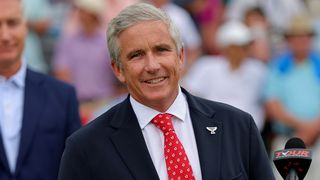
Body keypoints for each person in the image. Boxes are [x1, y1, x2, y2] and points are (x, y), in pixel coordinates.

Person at [58, 3, 275, 180]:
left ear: (181, 57)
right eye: (136, 55)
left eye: (161, 50)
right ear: (117, 69)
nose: (152, 65)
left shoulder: (238, 127)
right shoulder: (85, 147)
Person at [0, 0, 81, 179]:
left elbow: (77, 167)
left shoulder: (62, 97)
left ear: (25, 27)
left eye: (12, 23)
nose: (5, 35)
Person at [182, 20, 267, 131]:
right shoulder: (207, 66)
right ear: (226, 48)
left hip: (248, 131)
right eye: (237, 47)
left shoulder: (258, 70)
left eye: (244, 46)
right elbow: (188, 93)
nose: (242, 51)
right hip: (212, 129)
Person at [264, 13, 320, 180]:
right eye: (296, 38)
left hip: (317, 138)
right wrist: (304, 127)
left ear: (310, 39)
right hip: (287, 138)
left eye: (304, 37)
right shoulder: (278, 67)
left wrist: (312, 128)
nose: (300, 42)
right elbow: (272, 105)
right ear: (288, 40)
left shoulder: (318, 64)